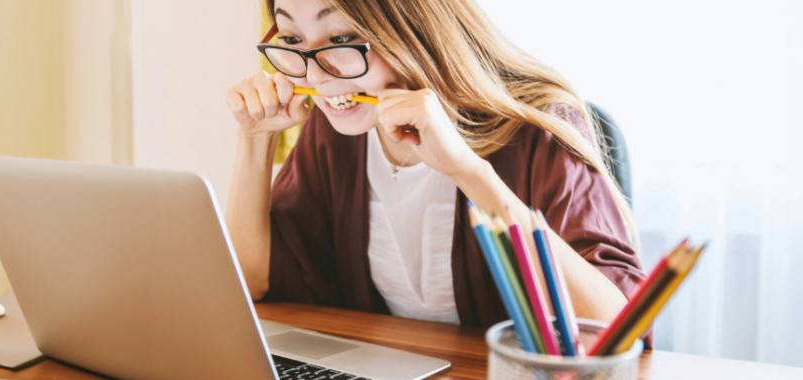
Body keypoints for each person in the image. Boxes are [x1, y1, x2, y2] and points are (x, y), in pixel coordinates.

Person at [224, 0, 644, 329]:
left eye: (341, 37)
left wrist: (468, 170)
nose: (315, 77)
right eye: (294, 40)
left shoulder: (538, 128)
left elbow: (615, 328)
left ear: (413, 27)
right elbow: (254, 279)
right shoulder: (334, 131)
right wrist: (255, 139)